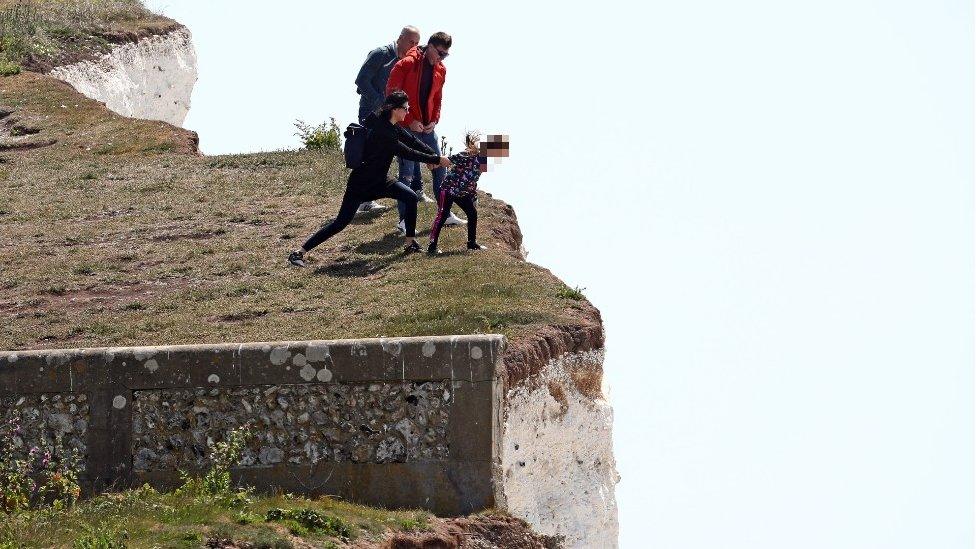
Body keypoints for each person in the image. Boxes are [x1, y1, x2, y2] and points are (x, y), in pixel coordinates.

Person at [288, 91, 451, 267]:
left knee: (410, 197)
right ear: (395, 109)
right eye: (405, 108)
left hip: (381, 180)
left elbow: (412, 140)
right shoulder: (382, 131)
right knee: (340, 223)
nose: (407, 111)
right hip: (361, 183)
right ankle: (299, 253)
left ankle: (410, 243)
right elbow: (406, 151)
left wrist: (433, 154)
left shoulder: (392, 126)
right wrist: (436, 160)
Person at [385, 31, 465, 234]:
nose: (442, 58)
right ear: (429, 46)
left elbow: (437, 99)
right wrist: (410, 121)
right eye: (440, 53)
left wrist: (434, 121)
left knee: (440, 167)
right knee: (407, 175)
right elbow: (391, 95)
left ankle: (445, 214)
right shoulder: (406, 64)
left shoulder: (441, 70)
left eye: (445, 55)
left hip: (427, 129)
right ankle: (404, 221)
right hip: (405, 129)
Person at [353, 25, 420, 214]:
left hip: (392, 115)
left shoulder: (407, 61)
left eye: (416, 43)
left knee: (403, 148)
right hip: (371, 113)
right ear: (400, 39)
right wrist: (380, 104)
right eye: (410, 41)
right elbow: (361, 81)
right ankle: (362, 201)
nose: (413, 46)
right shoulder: (381, 54)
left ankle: (415, 188)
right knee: (372, 156)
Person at [427, 132, 510, 254]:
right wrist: (435, 161)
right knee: (443, 215)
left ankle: (471, 243)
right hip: (449, 189)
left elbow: (473, 180)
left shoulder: (484, 162)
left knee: (472, 213)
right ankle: (432, 246)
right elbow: (450, 160)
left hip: (462, 193)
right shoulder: (468, 155)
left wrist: (473, 196)